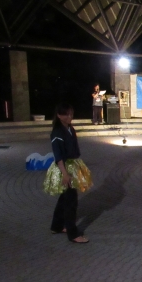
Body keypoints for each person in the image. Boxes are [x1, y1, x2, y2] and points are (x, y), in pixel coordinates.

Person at [44, 103, 92, 243]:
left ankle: (56, 226)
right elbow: (58, 156)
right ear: (59, 115)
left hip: (72, 165)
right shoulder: (57, 133)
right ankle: (73, 234)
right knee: (71, 201)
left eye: (71, 113)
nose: (70, 116)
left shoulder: (70, 129)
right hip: (64, 168)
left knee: (64, 198)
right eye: (66, 114)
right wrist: (65, 174)